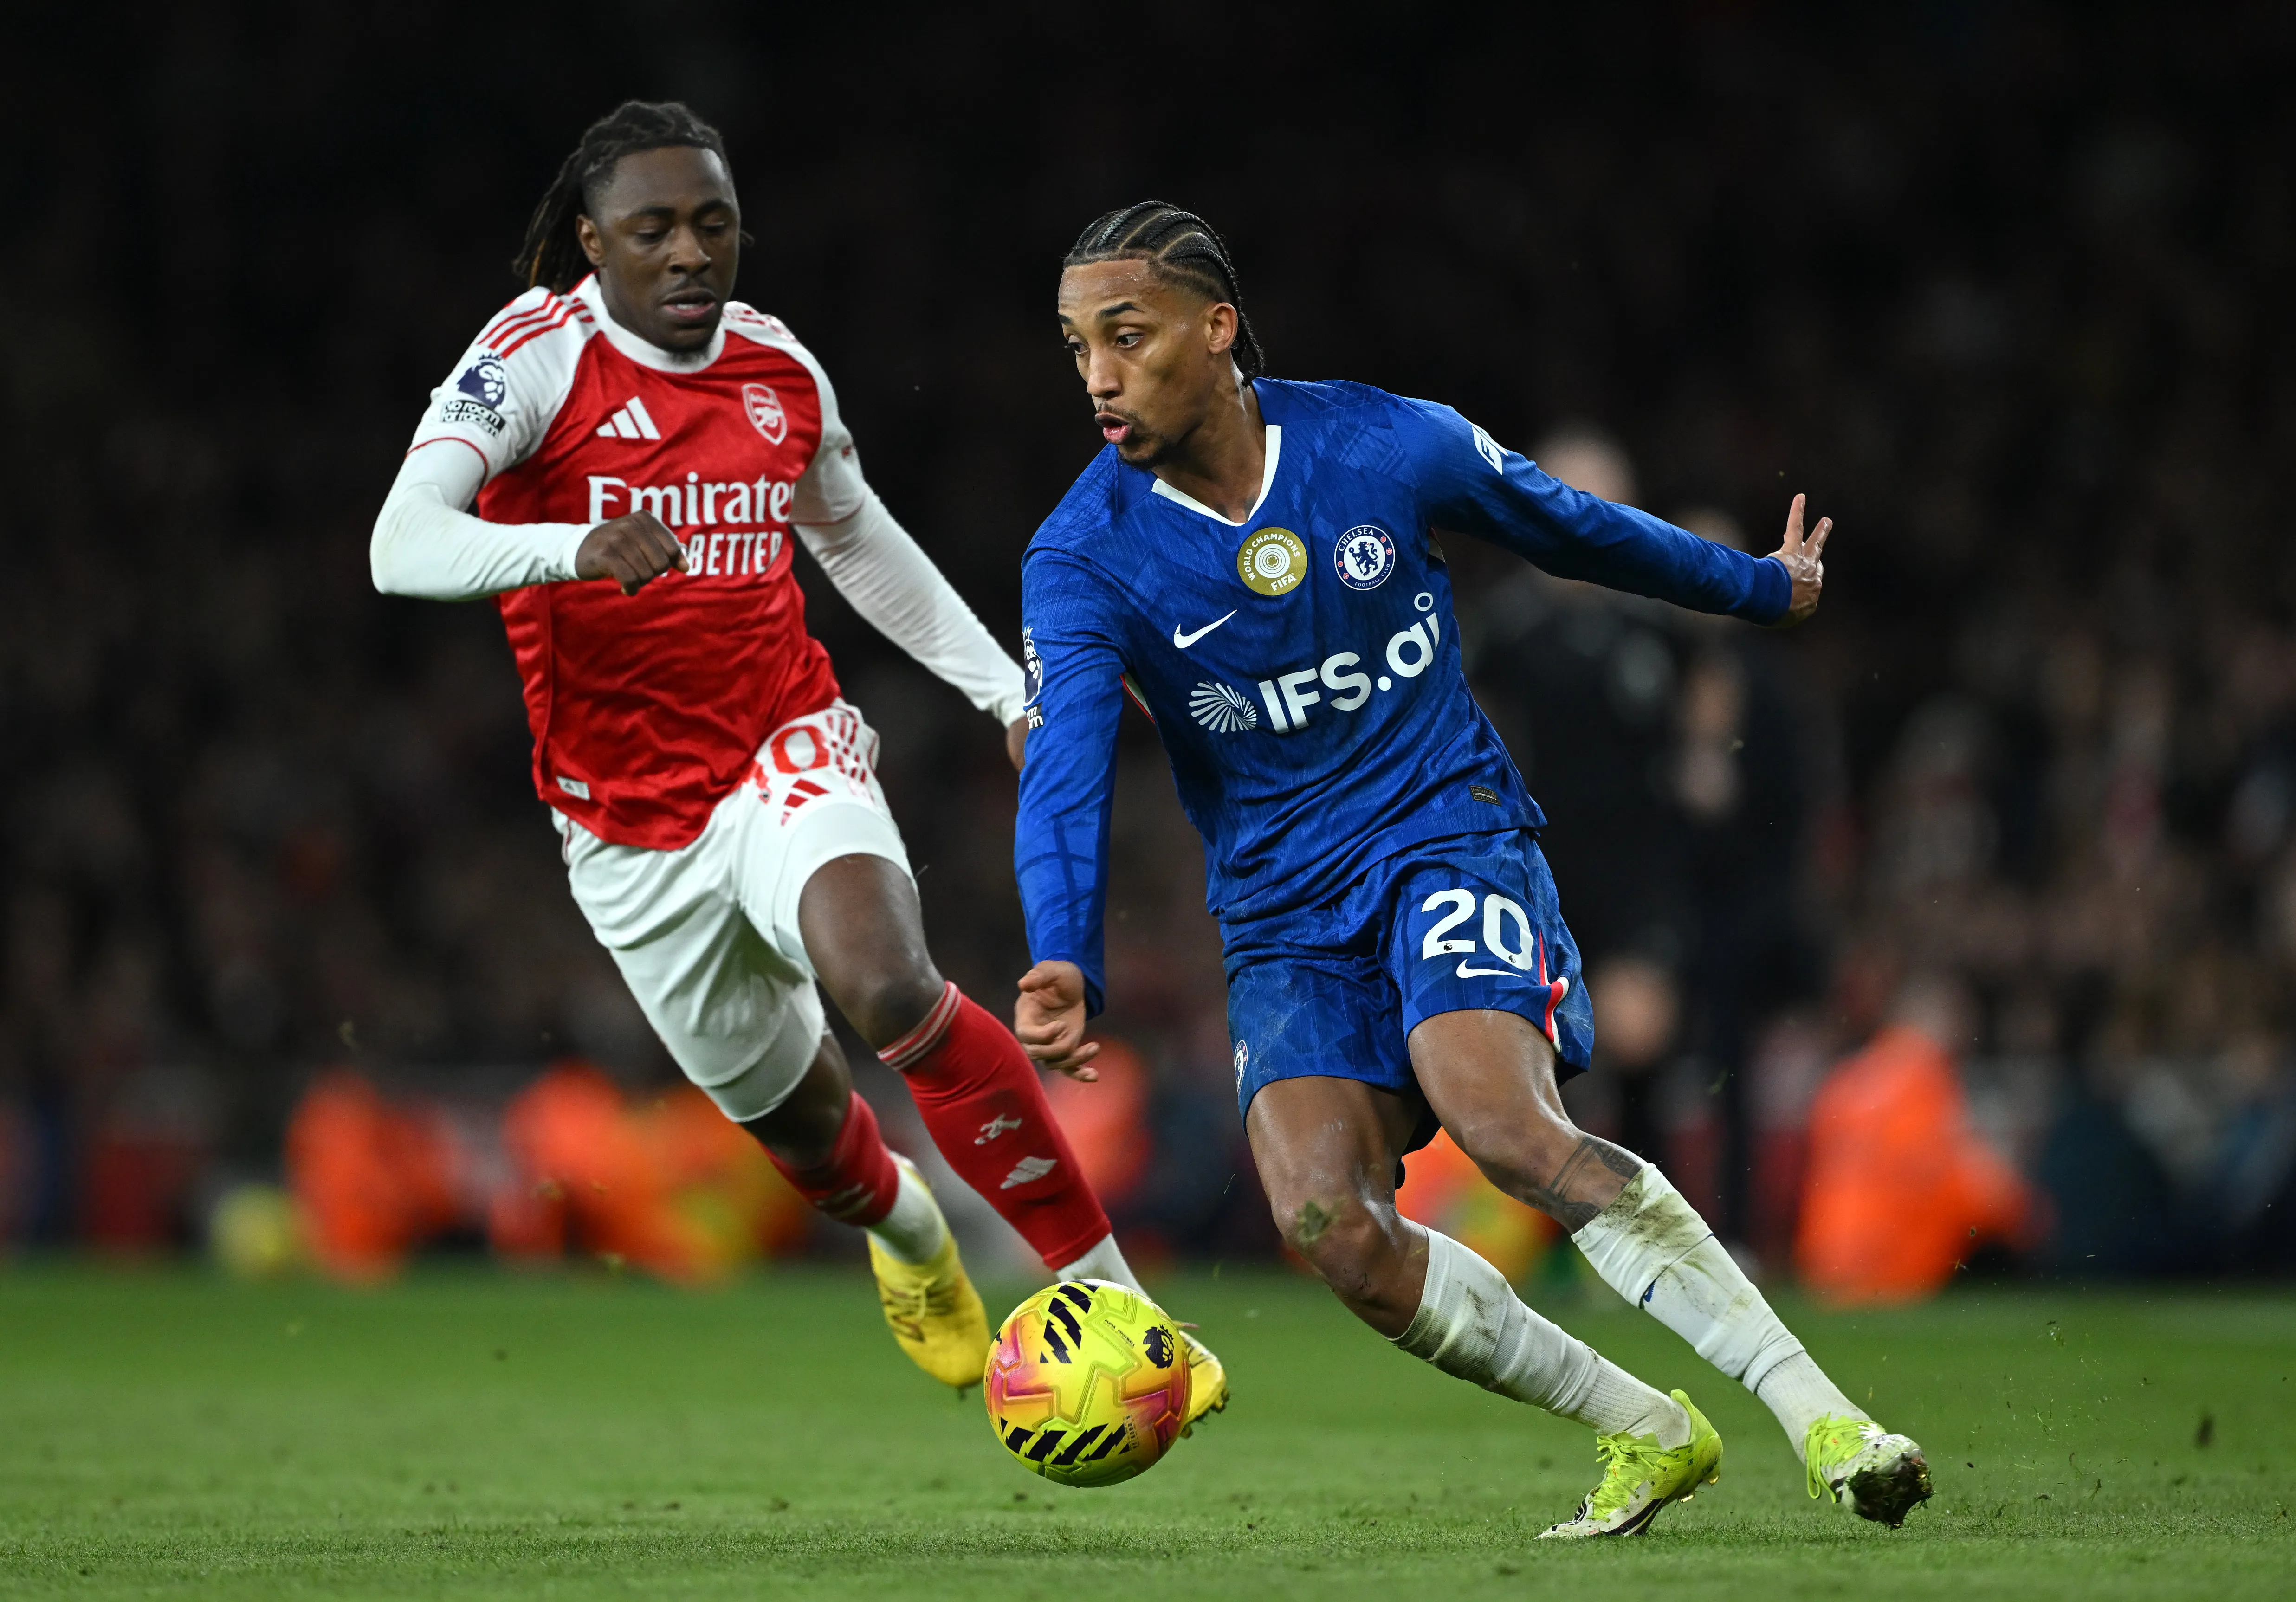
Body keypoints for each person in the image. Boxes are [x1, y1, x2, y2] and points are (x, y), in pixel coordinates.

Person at [1009, 201, 1927, 1536]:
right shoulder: (1083, 550)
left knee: (1500, 1123)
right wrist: (1062, 949)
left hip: (1444, 828)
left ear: (1216, 330)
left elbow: (1570, 526)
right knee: (1332, 1226)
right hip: (1278, 914)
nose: (1096, 372)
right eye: (1077, 343)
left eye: (1127, 335)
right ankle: (1647, 1428)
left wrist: (1757, 586)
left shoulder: (1381, 442)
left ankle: (1826, 1416)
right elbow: (1070, 761)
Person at [367, 105, 1223, 1422]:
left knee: (888, 983)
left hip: (784, 747)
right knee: (809, 1141)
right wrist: (568, 548)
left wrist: (1004, 686)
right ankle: (907, 1228)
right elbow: (399, 543)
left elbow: (856, 537)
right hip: (624, 829)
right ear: (593, 243)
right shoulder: (530, 361)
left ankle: (1124, 1303)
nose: (689, 252)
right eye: (652, 228)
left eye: (712, 222)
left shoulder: (776, 372)